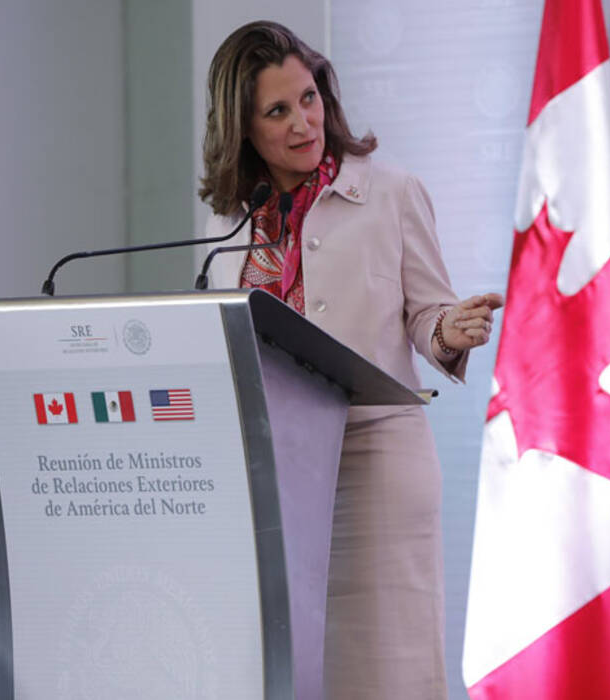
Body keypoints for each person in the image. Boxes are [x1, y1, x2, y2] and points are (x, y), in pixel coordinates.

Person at [197, 20, 502, 699]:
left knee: (386, 668)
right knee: (289, 671)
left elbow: (427, 314)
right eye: (278, 111)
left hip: (375, 461)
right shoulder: (228, 225)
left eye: (308, 98)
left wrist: (450, 329)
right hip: (274, 471)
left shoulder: (390, 192)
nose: (303, 122)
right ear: (242, 128)